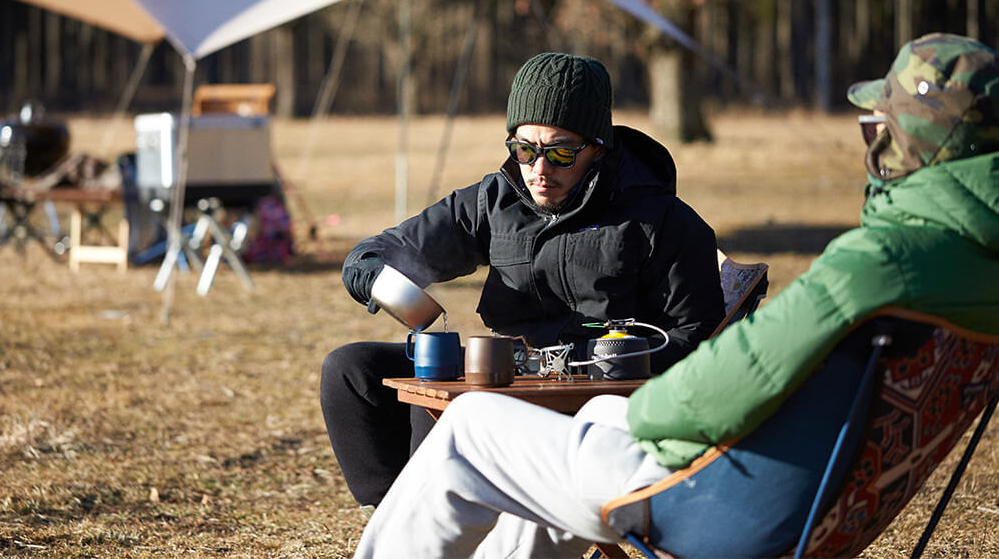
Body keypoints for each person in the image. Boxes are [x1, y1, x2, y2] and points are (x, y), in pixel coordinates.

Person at [351, 32, 999, 558]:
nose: (538, 166)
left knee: (470, 425)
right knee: (577, 429)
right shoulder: (975, 274)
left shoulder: (877, 263)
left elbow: (721, 377)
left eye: (873, 127)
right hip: (802, 500)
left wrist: (622, 402)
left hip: (718, 503)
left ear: (900, 144)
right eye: (524, 149)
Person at [320, 52, 726, 509]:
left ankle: (431, 524)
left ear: (599, 147)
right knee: (352, 370)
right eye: (525, 148)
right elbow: (394, 246)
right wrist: (370, 269)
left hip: (594, 398)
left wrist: (613, 356)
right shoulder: (497, 199)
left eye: (560, 152)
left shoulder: (661, 221)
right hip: (508, 373)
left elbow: (700, 339)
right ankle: (395, 516)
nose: (539, 168)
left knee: (444, 396)